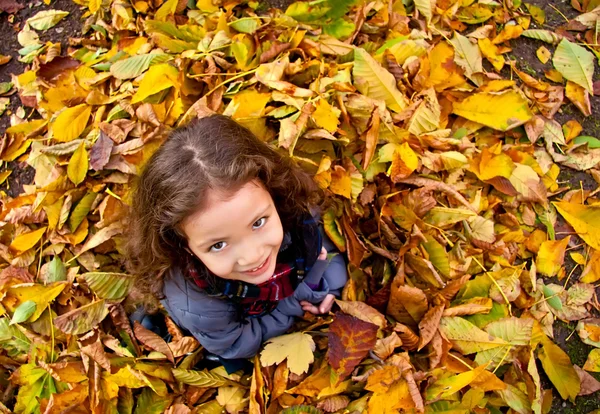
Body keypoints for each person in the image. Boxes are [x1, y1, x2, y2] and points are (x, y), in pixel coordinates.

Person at [126, 114, 348, 361]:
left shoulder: (293, 211)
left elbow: (322, 245)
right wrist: (297, 301)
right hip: (236, 327)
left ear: (272, 192)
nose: (252, 255)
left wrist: (329, 285)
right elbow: (238, 345)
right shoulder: (194, 302)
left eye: (258, 223)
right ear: (184, 245)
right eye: (218, 245)